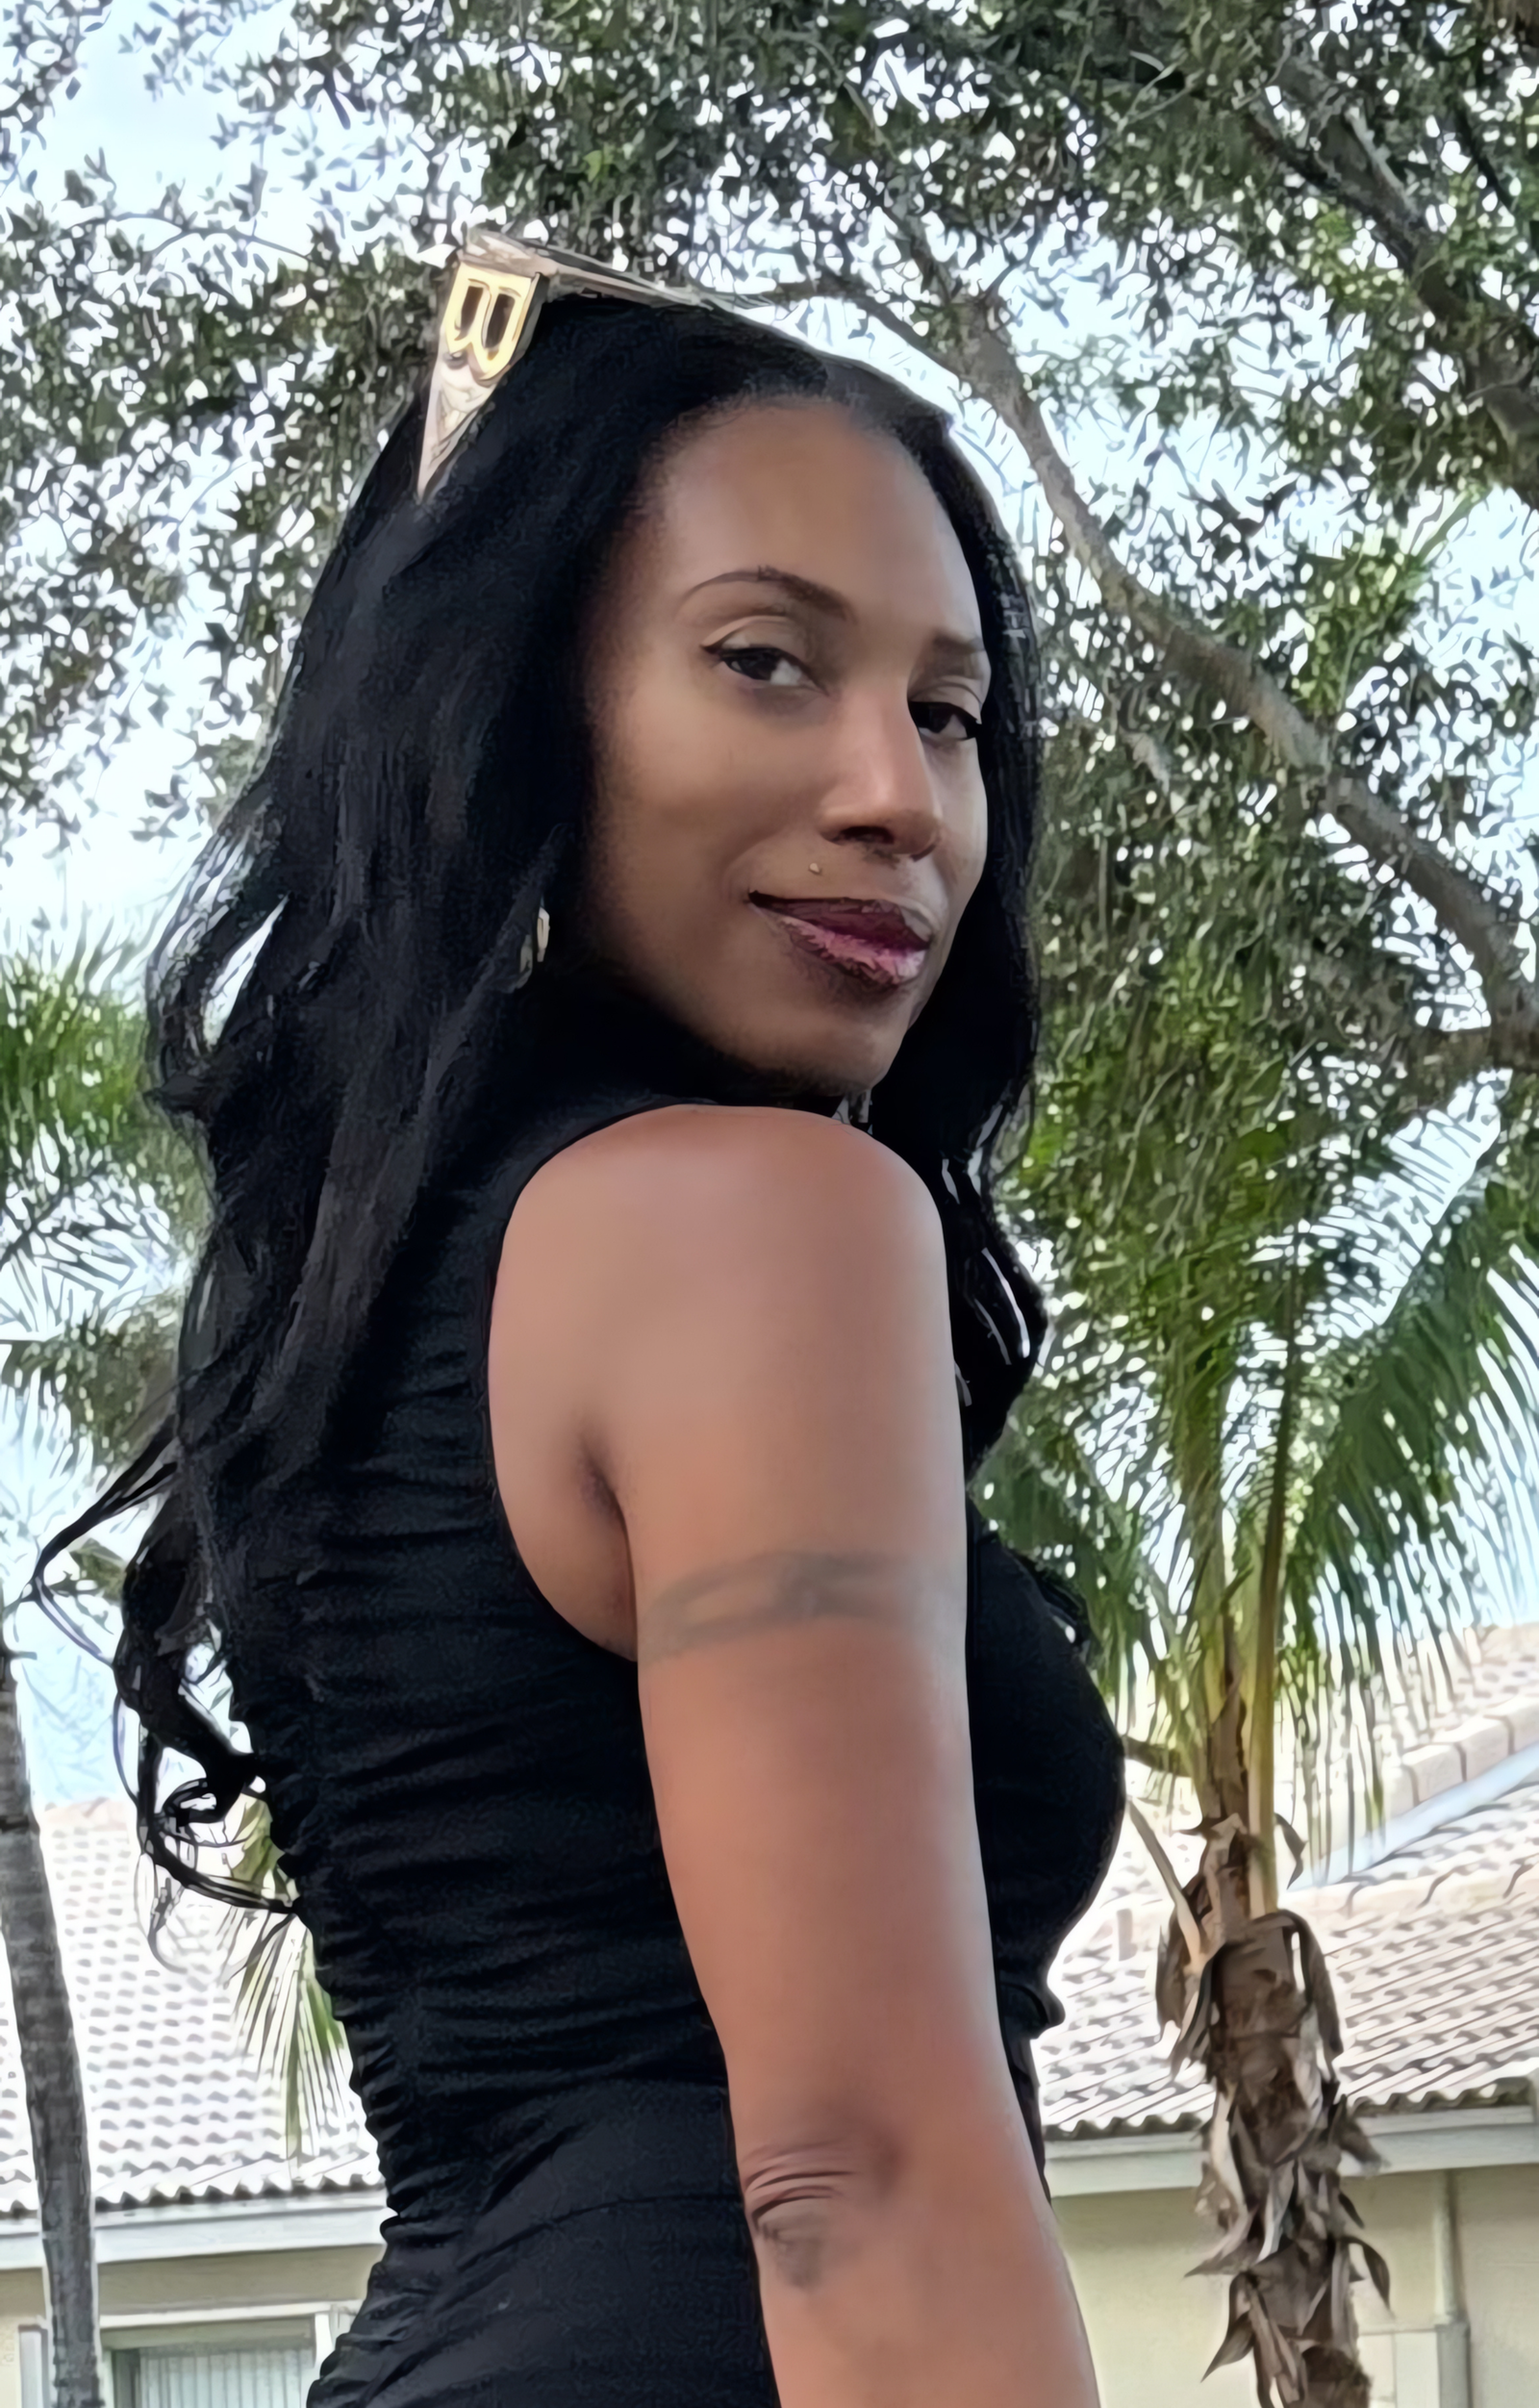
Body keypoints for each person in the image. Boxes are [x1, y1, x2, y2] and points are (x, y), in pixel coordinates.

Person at [46, 237, 1123, 2406]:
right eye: (764, 662)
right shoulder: (758, 1226)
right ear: (521, 705)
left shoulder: (370, 1300)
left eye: (945, 712)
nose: (897, 793)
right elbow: (859, 2183)